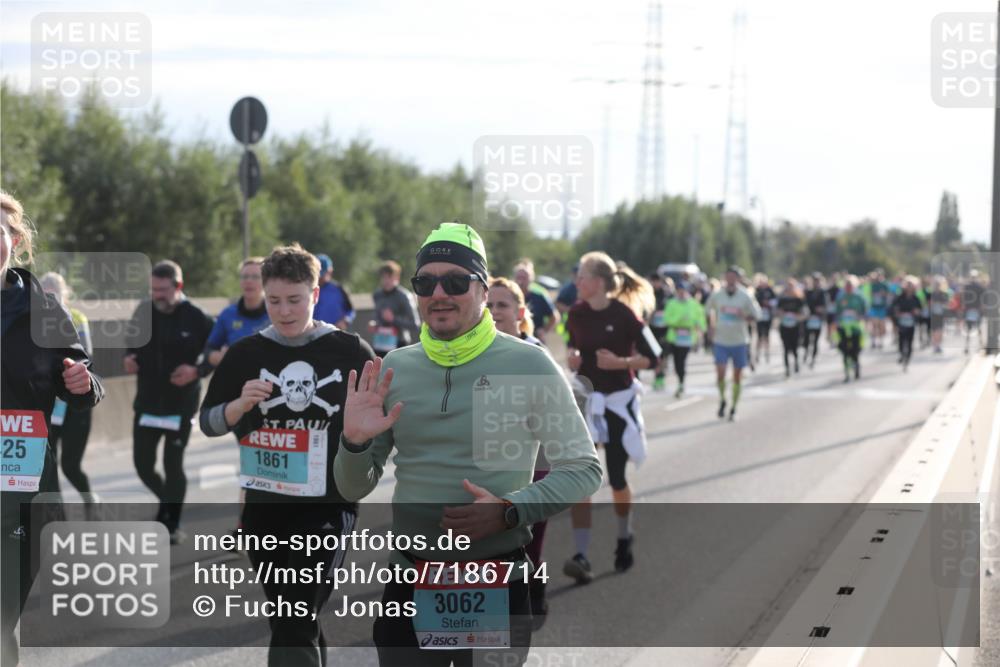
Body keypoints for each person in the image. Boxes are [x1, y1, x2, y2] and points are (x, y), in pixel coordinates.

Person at [335, 223, 601, 666]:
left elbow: (583, 469)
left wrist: (510, 510)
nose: (439, 292)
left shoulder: (528, 363)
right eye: (425, 282)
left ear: (481, 289)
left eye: (455, 281)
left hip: (498, 578)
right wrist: (354, 442)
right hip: (412, 578)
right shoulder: (393, 368)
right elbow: (351, 488)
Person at [200, 243, 376, 666]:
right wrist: (239, 406)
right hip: (265, 509)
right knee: (293, 617)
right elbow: (208, 422)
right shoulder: (246, 353)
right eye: (274, 300)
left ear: (316, 295)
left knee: (295, 614)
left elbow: (380, 422)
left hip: (328, 506)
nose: (284, 310)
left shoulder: (350, 351)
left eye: (295, 300)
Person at [1, 191, 104, 666]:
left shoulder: (43, 310)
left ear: (14, 240)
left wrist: (82, 382)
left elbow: (83, 385)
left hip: (21, 491)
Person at [563, 251, 660, 584]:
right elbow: (573, 347)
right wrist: (572, 359)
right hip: (588, 400)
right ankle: (581, 553)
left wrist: (620, 363)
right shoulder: (575, 314)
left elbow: (653, 357)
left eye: (583, 276)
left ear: (599, 282)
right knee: (582, 477)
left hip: (618, 402)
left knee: (616, 477)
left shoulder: (626, 315)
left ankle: (624, 535)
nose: (577, 282)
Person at [124, 260, 213, 544]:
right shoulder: (144, 311)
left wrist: (196, 372)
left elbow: (214, 354)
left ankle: (171, 524)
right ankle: (167, 502)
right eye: (153, 290)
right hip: (148, 402)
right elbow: (132, 342)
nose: (157, 295)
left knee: (173, 464)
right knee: (142, 463)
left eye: (162, 290)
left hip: (180, 405)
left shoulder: (197, 317)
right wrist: (129, 357)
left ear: (178, 286)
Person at [486, 277, 549, 627]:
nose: (495, 312)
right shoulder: (474, 351)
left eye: (503, 305)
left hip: (534, 463)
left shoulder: (536, 354)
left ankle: (533, 589)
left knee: (528, 541)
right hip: (490, 461)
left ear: (521, 312)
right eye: (490, 305)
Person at [39, 272, 96, 501]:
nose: (50, 300)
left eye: (55, 295)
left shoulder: (76, 317)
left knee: (70, 465)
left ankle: (89, 499)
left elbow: (86, 356)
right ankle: (57, 512)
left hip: (74, 401)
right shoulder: (34, 319)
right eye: (45, 296)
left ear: (65, 295)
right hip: (49, 404)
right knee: (48, 465)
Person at [705, 267, 761, 421]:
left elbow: (757, 315)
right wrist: (710, 326)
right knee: (721, 373)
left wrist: (745, 316)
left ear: (737, 279)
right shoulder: (717, 295)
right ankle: (723, 399)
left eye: (733, 277)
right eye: (727, 277)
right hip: (721, 340)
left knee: (737, 376)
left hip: (739, 341)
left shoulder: (745, 296)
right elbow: (707, 310)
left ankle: (734, 407)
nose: (730, 280)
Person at [204, 257, 270, 368]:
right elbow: (209, 350)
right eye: (244, 277)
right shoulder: (228, 314)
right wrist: (219, 357)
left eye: (255, 277)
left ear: (266, 281)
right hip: (237, 381)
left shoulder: (276, 312)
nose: (249, 281)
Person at [662, 280, 707, 397]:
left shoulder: (694, 304)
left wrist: (702, 329)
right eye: (679, 291)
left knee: (682, 361)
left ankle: (681, 383)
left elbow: (700, 318)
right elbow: (666, 319)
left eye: (683, 291)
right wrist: (679, 320)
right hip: (674, 337)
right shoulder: (671, 303)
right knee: (676, 362)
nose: (681, 293)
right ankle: (679, 379)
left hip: (687, 337)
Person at [369, 260, 420, 357]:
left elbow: (415, 324)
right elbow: (377, 318)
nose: (386, 280)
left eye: (389, 277)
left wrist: (394, 319)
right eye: (383, 277)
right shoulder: (377, 295)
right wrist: (374, 324)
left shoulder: (404, 296)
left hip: (399, 344)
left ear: (397, 277)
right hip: (381, 344)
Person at [514, 259, 560, 339]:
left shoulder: (539, 297)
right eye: (518, 277)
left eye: (524, 277)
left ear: (531, 278)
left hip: (534, 340)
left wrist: (544, 331)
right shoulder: (510, 297)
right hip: (515, 338)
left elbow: (555, 317)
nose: (520, 281)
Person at [833, 276, 868, 382]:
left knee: (855, 349)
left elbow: (865, 311)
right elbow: (837, 312)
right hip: (843, 327)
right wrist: (837, 322)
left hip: (856, 327)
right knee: (844, 349)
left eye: (850, 286)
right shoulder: (841, 297)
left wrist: (860, 317)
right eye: (847, 285)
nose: (848, 288)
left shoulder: (859, 297)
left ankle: (856, 365)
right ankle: (847, 373)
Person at [313, 253, 355, 329]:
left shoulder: (339, 289)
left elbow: (350, 310)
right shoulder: (308, 290)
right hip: (314, 333)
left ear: (330, 271)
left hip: (334, 333)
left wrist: (346, 320)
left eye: (322, 275)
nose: (320, 278)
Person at [776, 278, 806, 377]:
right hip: (784, 327)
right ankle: (787, 368)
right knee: (785, 348)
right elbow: (777, 312)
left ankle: (796, 362)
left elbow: (804, 313)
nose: (789, 288)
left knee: (795, 348)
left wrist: (796, 317)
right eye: (788, 286)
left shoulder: (799, 299)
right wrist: (783, 314)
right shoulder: (782, 299)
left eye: (791, 286)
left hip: (796, 327)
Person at [649, 273, 674, 391]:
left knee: (663, 355)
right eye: (653, 281)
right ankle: (657, 376)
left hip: (665, 329)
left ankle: (661, 376)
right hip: (652, 329)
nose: (655, 284)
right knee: (655, 353)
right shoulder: (648, 294)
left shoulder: (667, 295)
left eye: (657, 281)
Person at [892, 276, 922, 371]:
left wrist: (915, 313)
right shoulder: (899, 297)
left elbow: (919, 309)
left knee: (910, 341)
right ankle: (901, 354)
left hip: (911, 322)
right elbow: (894, 307)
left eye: (910, 286)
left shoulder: (915, 298)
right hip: (901, 322)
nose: (909, 288)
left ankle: (907, 358)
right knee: (901, 339)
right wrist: (898, 314)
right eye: (907, 286)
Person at [803, 273, 827, 368]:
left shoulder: (822, 292)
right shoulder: (808, 292)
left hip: (817, 319)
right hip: (809, 318)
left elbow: (825, 306)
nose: (816, 282)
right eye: (814, 280)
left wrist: (820, 310)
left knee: (816, 340)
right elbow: (804, 304)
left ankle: (813, 358)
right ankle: (806, 353)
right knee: (807, 339)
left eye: (817, 280)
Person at [960, 270, 986, 354]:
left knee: (971, 328)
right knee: (974, 328)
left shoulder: (968, 286)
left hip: (971, 309)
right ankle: (979, 345)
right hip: (973, 309)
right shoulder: (978, 286)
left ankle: (975, 345)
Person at [753, 274, 776, 365]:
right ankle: (757, 354)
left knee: (766, 335)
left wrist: (769, 303)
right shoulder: (757, 291)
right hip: (760, 315)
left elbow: (775, 301)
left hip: (768, 315)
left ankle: (767, 353)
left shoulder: (770, 290)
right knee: (759, 336)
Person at [866, 269, 891, 349]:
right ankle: (873, 341)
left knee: (881, 325)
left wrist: (883, 294)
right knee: (873, 325)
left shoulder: (885, 285)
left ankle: (880, 341)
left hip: (882, 308)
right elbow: (870, 294)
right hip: (874, 307)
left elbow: (888, 295)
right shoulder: (872, 285)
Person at [929, 276, 951, 353]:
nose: (937, 286)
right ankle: (935, 345)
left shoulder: (944, 294)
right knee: (934, 330)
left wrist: (941, 304)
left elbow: (947, 303)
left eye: (938, 284)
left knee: (940, 330)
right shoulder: (931, 294)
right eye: (936, 284)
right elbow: (928, 303)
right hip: (933, 314)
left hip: (941, 314)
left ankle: (938, 345)